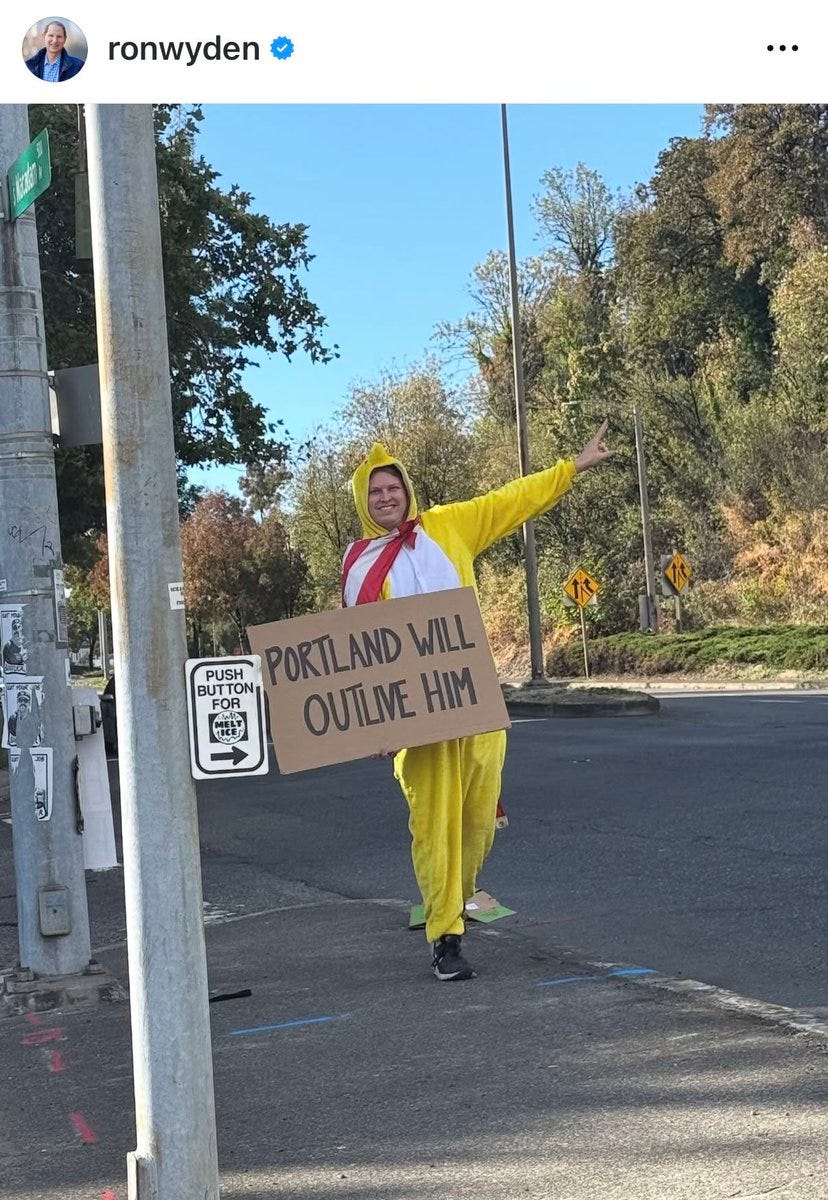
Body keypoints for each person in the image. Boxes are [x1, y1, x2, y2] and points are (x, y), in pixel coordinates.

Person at [342, 421, 613, 981]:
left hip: (474, 703)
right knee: (433, 825)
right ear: (363, 501)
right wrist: (373, 727)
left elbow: (511, 500)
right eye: (375, 490)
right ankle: (446, 937)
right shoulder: (359, 564)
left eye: (392, 487)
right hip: (415, 723)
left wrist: (572, 466)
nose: (386, 496)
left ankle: (456, 895)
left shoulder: (450, 526)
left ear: (407, 490)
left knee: (479, 823)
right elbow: (357, 651)